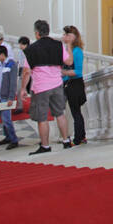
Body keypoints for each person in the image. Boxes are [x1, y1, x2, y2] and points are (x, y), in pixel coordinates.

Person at [26, 19, 73, 154]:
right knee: (60, 114)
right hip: (57, 84)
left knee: (42, 118)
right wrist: (68, 44)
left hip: (41, 87)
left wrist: (23, 88)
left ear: (36, 33)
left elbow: (26, 71)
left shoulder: (31, 49)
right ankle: (66, 141)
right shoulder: (58, 45)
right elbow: (69, 61)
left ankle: (45, 146)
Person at [62, 25, 86, 146]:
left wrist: (63, 72)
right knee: (74, 112)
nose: (64, 37)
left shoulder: (77, 51)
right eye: (64, 34)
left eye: (67, 35)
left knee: (76, 112)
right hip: (67, 83)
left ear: (73, 37)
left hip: (75, 83)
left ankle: (79, 138)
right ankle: (80, 137)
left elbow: (77, 71)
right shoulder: (66, 50)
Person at [0, 44, 20, 148]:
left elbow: (13, 82)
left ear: (3, 55)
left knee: (7, 119)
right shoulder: (0, 65)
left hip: (6, 96)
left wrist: (11, 97)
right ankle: (7, 136)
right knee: (3, 119)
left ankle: (13, 139)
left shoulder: (11, 64)